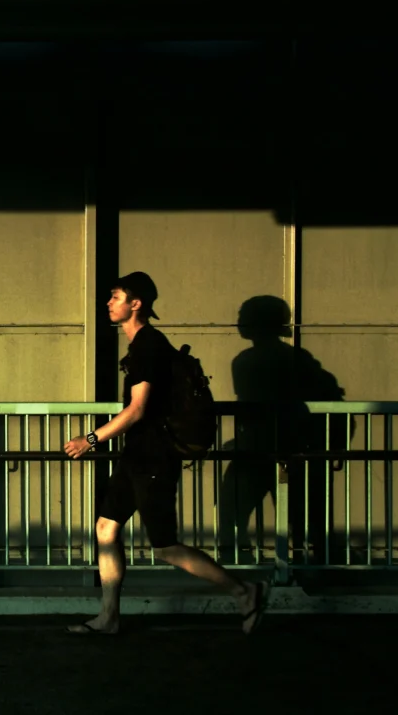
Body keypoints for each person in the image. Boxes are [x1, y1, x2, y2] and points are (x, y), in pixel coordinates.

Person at [63, 272, 268, 635]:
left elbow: (137, 409)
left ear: (135, 303)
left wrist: (90, 440)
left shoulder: (148, 346)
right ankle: (109, 617)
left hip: (154, 458)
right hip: (137, 456)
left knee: (166, 547)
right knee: (106, 527)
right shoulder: (144, 344)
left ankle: (245, 591)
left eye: (115, 297)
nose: (109, 303)